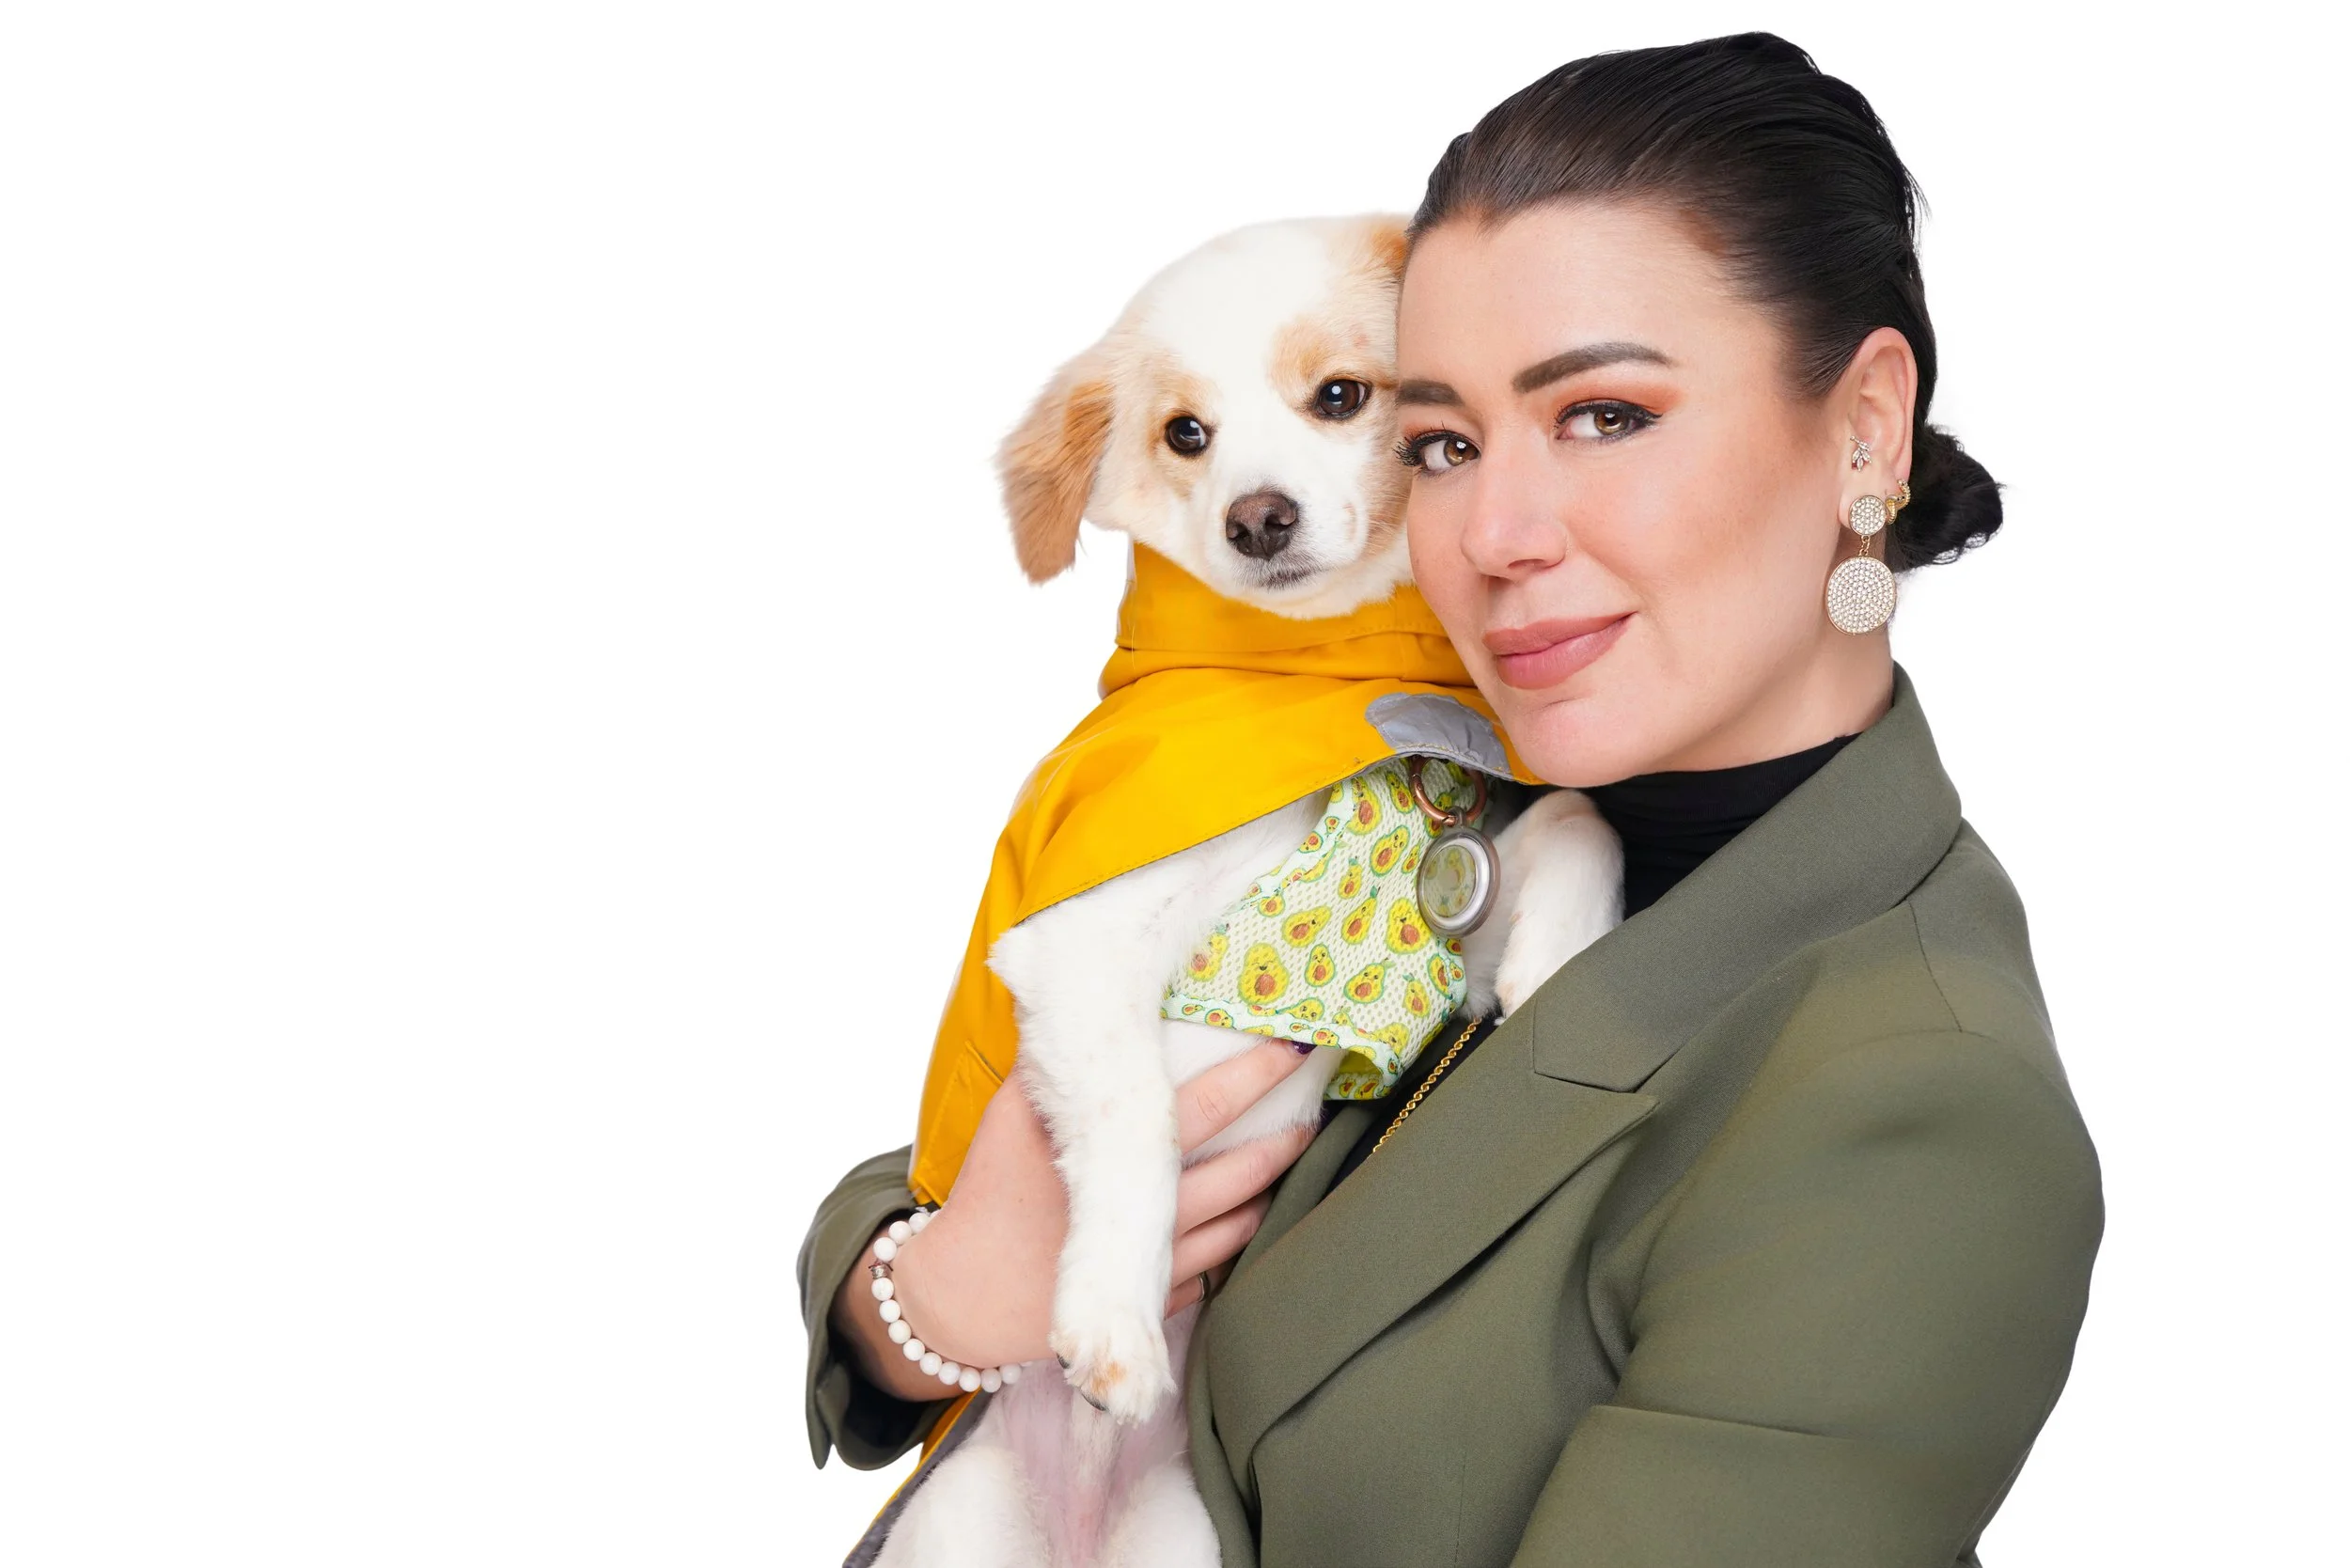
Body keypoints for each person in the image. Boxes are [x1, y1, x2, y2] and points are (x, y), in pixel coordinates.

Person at [799, 33, 2101, 1566]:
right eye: (1439, 443)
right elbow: (960, 1158)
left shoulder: (1911, 1103)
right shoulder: (1430, 780)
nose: (1493, 531)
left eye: (1606, 414)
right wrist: (925, 1309)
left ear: (1866, 427)